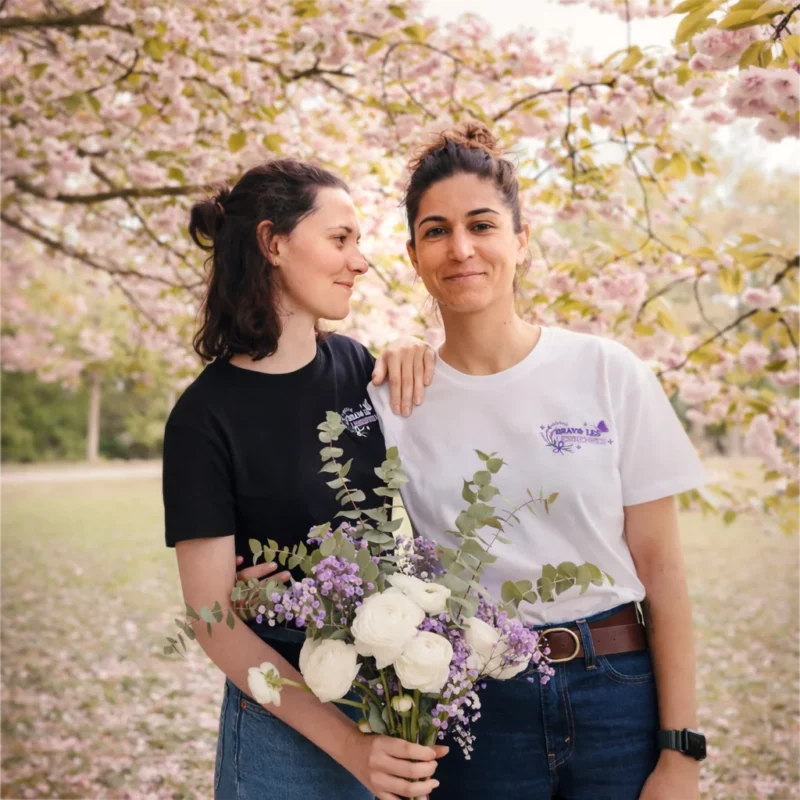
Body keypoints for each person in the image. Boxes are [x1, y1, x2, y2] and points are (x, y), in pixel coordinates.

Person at [367, 122, 708, 799]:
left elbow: (663, 572)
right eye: (436, 231)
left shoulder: (607, 371)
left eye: (482, 225)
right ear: (413, 255)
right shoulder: (392, 398)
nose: (461, 248)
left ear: (521, 239)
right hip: (478, 711)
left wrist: (681, 752)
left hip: (618, 694)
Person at [163, 159, 448, 800]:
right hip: (280, 715)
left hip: (390, 693)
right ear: (273, 242)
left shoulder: (357, 366)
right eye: (340, 239)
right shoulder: (204, 418)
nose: (360, 262)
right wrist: (350, 747)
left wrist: (412, 348)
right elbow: (213, 620)